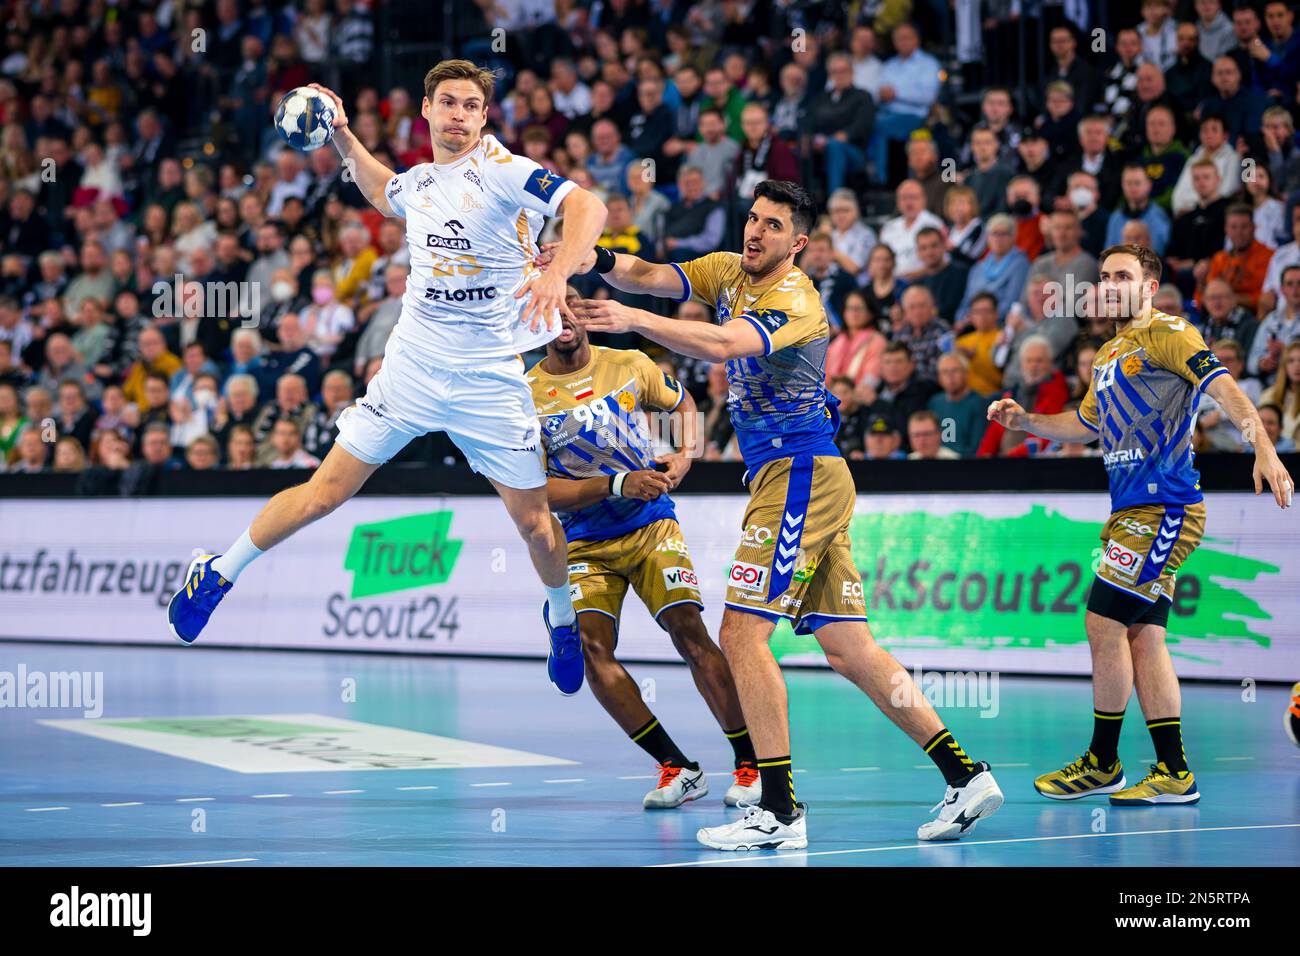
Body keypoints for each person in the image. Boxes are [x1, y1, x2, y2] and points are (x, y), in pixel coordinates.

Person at [572, 180, 1003, 849]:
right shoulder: (728, 271)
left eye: (771, 226)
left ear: (798, 243)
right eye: (751, 218)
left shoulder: (797, 299)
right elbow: (650, 274)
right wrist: (587, 258)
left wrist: (634, 322)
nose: (754, 231)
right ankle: (965, 775)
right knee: (850, 647)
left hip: (800, 474)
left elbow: (720, 346)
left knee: (742, 635)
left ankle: (778, 809)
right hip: (792, 477)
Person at [166, 60, 609, 701]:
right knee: (324, 493)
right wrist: (343, 134)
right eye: (448, 103)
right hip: (413, 368)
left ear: (485, 117)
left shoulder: (505, 171)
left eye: (471, 106)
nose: (459, 115)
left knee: (537, 526)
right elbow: (383, 192)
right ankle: (218, 572)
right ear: (425, 111)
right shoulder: (423, 182)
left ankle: (562, 619)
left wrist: (558, 270)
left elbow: (587, 205)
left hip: (489, 376)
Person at [987, 243, 1293, 806]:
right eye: (1103, 278)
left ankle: (1104, 762)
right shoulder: (1106, 353)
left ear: (1150, 287)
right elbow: (1085, 424)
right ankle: (1174, 772)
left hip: (1166, 508)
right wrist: (1026, 420)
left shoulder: (1170, 332)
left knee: (1102, 623)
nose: (1109, 286)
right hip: (1130, 511)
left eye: (1123, 277)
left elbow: (1223, 388)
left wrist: (1264, 449)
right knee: (1143, 635)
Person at [527, 288, 760, 810]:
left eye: (570, 305)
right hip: (584, 540)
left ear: (585, 314)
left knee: (688, 631)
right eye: (549, 309)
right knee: (592, 651)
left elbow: (684, 405)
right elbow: (536, 490)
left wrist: (683, 455)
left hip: (652, 528)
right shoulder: (523, 395)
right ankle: (677, 766)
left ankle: (749, 764)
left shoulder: (631, 364)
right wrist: (615, 485)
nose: (562, 316)